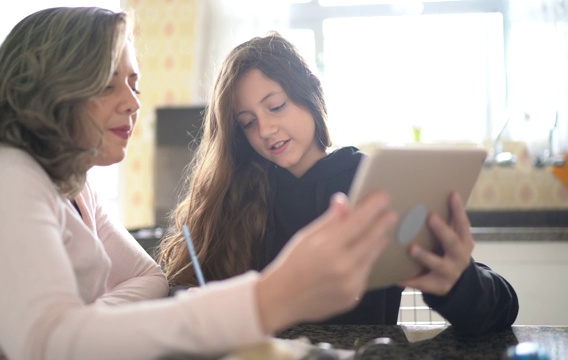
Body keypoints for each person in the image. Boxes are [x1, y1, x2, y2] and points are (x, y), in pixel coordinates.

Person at [0, 7, 400, 360]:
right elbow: (48, 343)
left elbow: (148, 278)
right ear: (54, 85)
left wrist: (89, 318)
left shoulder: (73, 186)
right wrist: (267, 297)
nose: (133, 102)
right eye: (110, 83)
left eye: (134, 83)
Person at [158, 32, 519, 334]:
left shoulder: (376, 183)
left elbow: (501, 308)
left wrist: (460, 283)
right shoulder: (236, 197)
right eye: (248, 122)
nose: (265, 130)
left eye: (276, 106)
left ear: (310, 96)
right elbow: (178, 304)